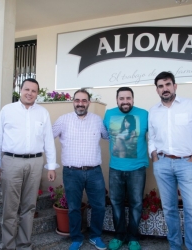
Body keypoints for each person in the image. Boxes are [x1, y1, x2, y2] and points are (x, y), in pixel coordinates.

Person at [0, 78, 57, 250]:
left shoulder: (43, 113)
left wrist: (51, 166)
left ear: (37, 93)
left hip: (35, 162)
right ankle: (7, 244)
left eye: (33, 90)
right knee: (10, 206)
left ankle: (24, 244)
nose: (30, 93)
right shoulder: (7, 110)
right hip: (11, 161)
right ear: (20, 90)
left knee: (29, 206)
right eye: (26, 89)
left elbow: (48, 140)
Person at [148, 71, 192, 250]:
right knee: (169, 209)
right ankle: (174, 246)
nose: (164, 89)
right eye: (160, 86)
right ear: (157, 90)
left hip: (186, 164)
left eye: (168, 84)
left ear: (175, 86)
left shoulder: (191, 105)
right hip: (163, 164)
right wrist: (155, 158)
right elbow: (151, 138)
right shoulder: (153, 112)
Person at [52, 88, 109, 250]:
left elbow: (108, 136)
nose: (80, 104)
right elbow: (47, 136)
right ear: (73, 102)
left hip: (94, 172)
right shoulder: (63, 120)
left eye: (84, 101)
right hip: (71, 172)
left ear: (89, 102)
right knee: (74, 207)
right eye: (77, 100)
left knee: (99, 206)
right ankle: (76, 238)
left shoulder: (98, 120)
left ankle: (95, 236)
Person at [103, 87, 148, 250]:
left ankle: (133, 237)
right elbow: (105, 134)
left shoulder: (144, 114)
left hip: (137, 168)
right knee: (116, 202)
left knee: (136, 203)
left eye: (128, 98)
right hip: (115, 167)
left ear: (133, 99)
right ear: (117, 100)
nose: (125, 101)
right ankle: (119, 235)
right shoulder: (109, 114)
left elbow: (155, 135)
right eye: (121, 98)